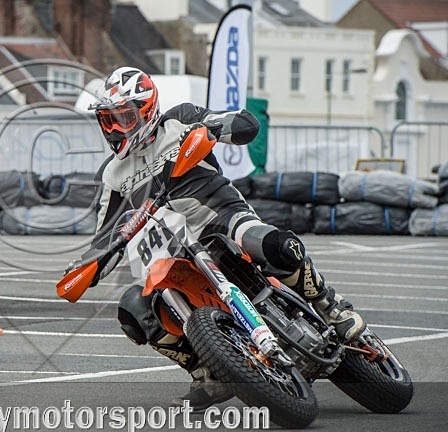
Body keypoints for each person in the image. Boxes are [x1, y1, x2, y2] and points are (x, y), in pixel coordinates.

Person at [80, 67, 366, 410]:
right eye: (107, 120)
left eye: (123, 117)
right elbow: (104, 234)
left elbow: (244, 123)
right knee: (133, 309)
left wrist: (220, 127)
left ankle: (330, 307)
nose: (114, 129)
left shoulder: (180, 119)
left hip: (222, 219)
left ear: (146, 109)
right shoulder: (112, 175)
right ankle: (208, 372)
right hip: (170, 251)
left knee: (275, 244)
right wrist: (85, 266)